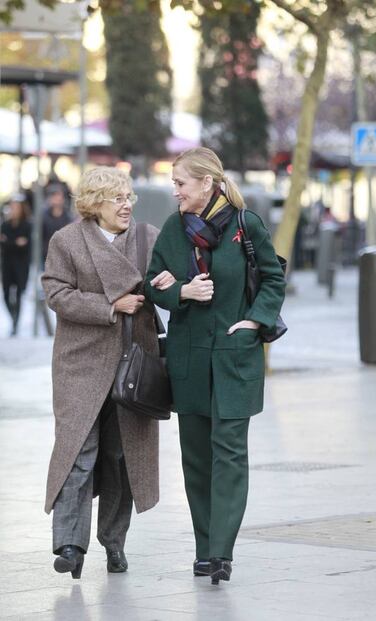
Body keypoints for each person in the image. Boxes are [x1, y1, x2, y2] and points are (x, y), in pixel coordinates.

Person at [146, 147, 286, 585]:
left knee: (229, 454)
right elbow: (154, 282)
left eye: (181, 183)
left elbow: (273, 278)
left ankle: (221, 552)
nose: (176, 191)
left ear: (207, 183)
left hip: (234, 357)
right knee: (196, 460)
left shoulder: (246, 226)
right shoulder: (173, 230)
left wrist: (254, 322)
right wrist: (181, 293)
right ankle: (203, 548)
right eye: (174, 184)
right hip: (189, 360)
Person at [42, 166, 167, 579]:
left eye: (129, 196)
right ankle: (70, 545)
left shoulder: (147, 238)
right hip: (80, 362)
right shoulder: (67, 240)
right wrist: (111, 305)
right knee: (77, 451)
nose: (127, 204)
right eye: (117, 198)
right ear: (95, 204)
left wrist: (166, 286)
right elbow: (56, 292)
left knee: (120, 457)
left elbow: (166, 284)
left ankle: (114, 542)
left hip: (134, 361)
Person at [0, 194, 32, 336]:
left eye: (16, 208)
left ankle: (16, 323)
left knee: (19, 294)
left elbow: (25, 245)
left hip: (21, 265)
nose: (13, 210)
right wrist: (15, 243)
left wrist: (8, 242)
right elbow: (5, 244)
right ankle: (12, 315)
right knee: (6, 294)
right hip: (7, 264)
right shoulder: (5, 225)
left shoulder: (27, 225)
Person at [42, 184, 73, 266]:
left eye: (58, 195)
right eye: (54, 196)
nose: (56, 199)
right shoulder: (43, 217)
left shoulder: (68, 217)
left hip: (64, 257)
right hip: (47, 256)